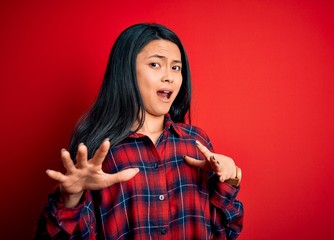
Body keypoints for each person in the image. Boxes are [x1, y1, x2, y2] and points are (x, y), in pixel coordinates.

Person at [35, 23, 244, 239]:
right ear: (126, 72)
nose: (169, 77)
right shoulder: (99, 151)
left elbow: (226, 232)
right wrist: (71, 199)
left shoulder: (196, 142)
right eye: (155, 64)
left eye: (176, 67)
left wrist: (230, 180)